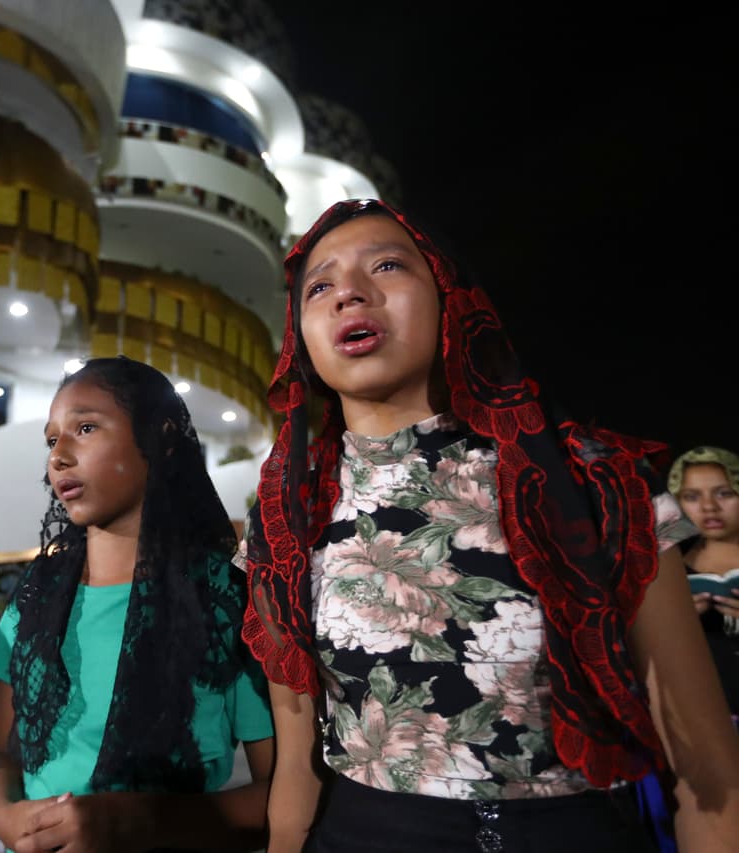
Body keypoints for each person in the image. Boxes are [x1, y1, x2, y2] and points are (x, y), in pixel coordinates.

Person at [243, 198, 739, 852]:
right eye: (320, 286)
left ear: (450, 298)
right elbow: (298, 770)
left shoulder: (593, 480)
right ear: (298, 335)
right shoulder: (287, 513)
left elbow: (708, 775)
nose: (349, 295)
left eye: (387, 265)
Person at [0, 355, 275, 853]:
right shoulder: (37, 597)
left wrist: (144, 820)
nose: (59, 457)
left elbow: (281, 792)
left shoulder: (225, 601)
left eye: (86, 428)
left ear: (158, 437)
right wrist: (6, 813)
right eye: (52, 440)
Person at [668, 445, 739, 715]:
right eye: (692, 496)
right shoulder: (668, 569)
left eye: (724, 493)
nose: (709, 507)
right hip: (703, 714)